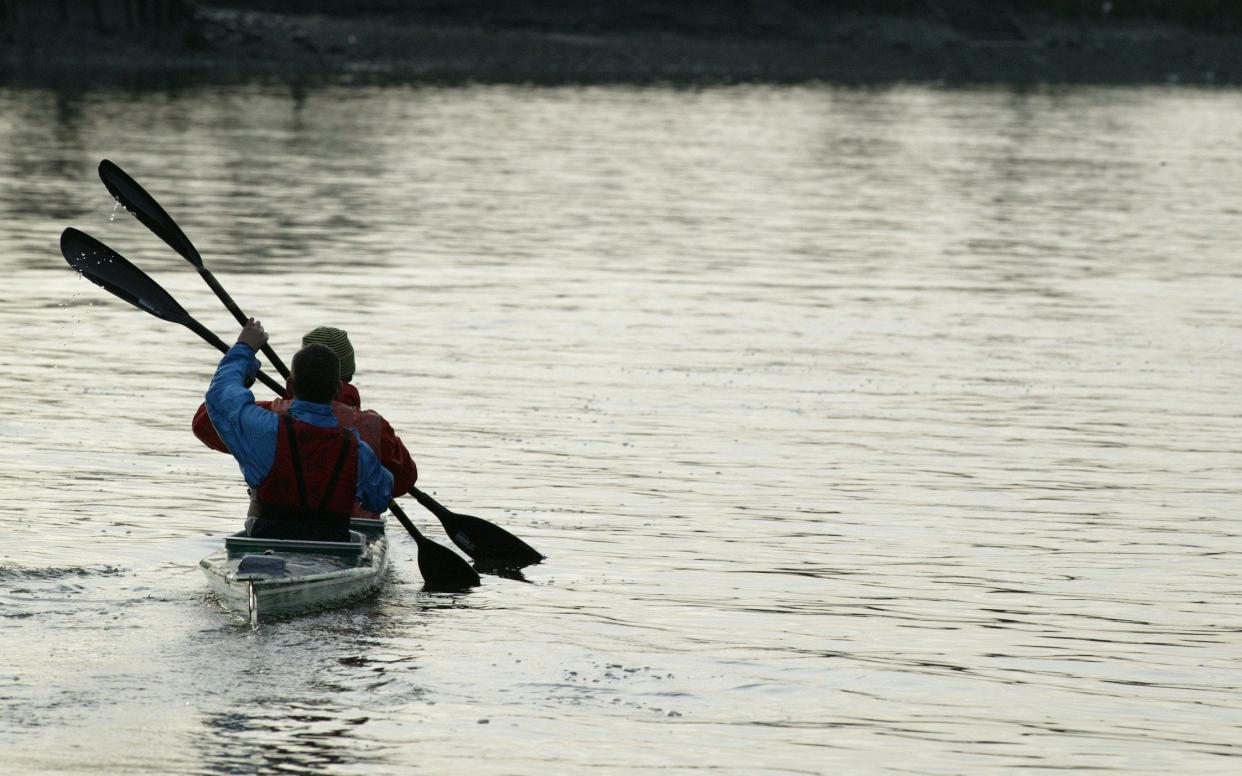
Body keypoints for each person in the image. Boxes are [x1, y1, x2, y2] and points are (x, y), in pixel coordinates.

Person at [193, 325, 418, 521]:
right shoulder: (366, 442)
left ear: (291, 384)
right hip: (341, 541)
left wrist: (245, 352)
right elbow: (396, 486)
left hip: (269, 533)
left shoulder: (268, 421)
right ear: (341, 385)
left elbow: (210, 414)